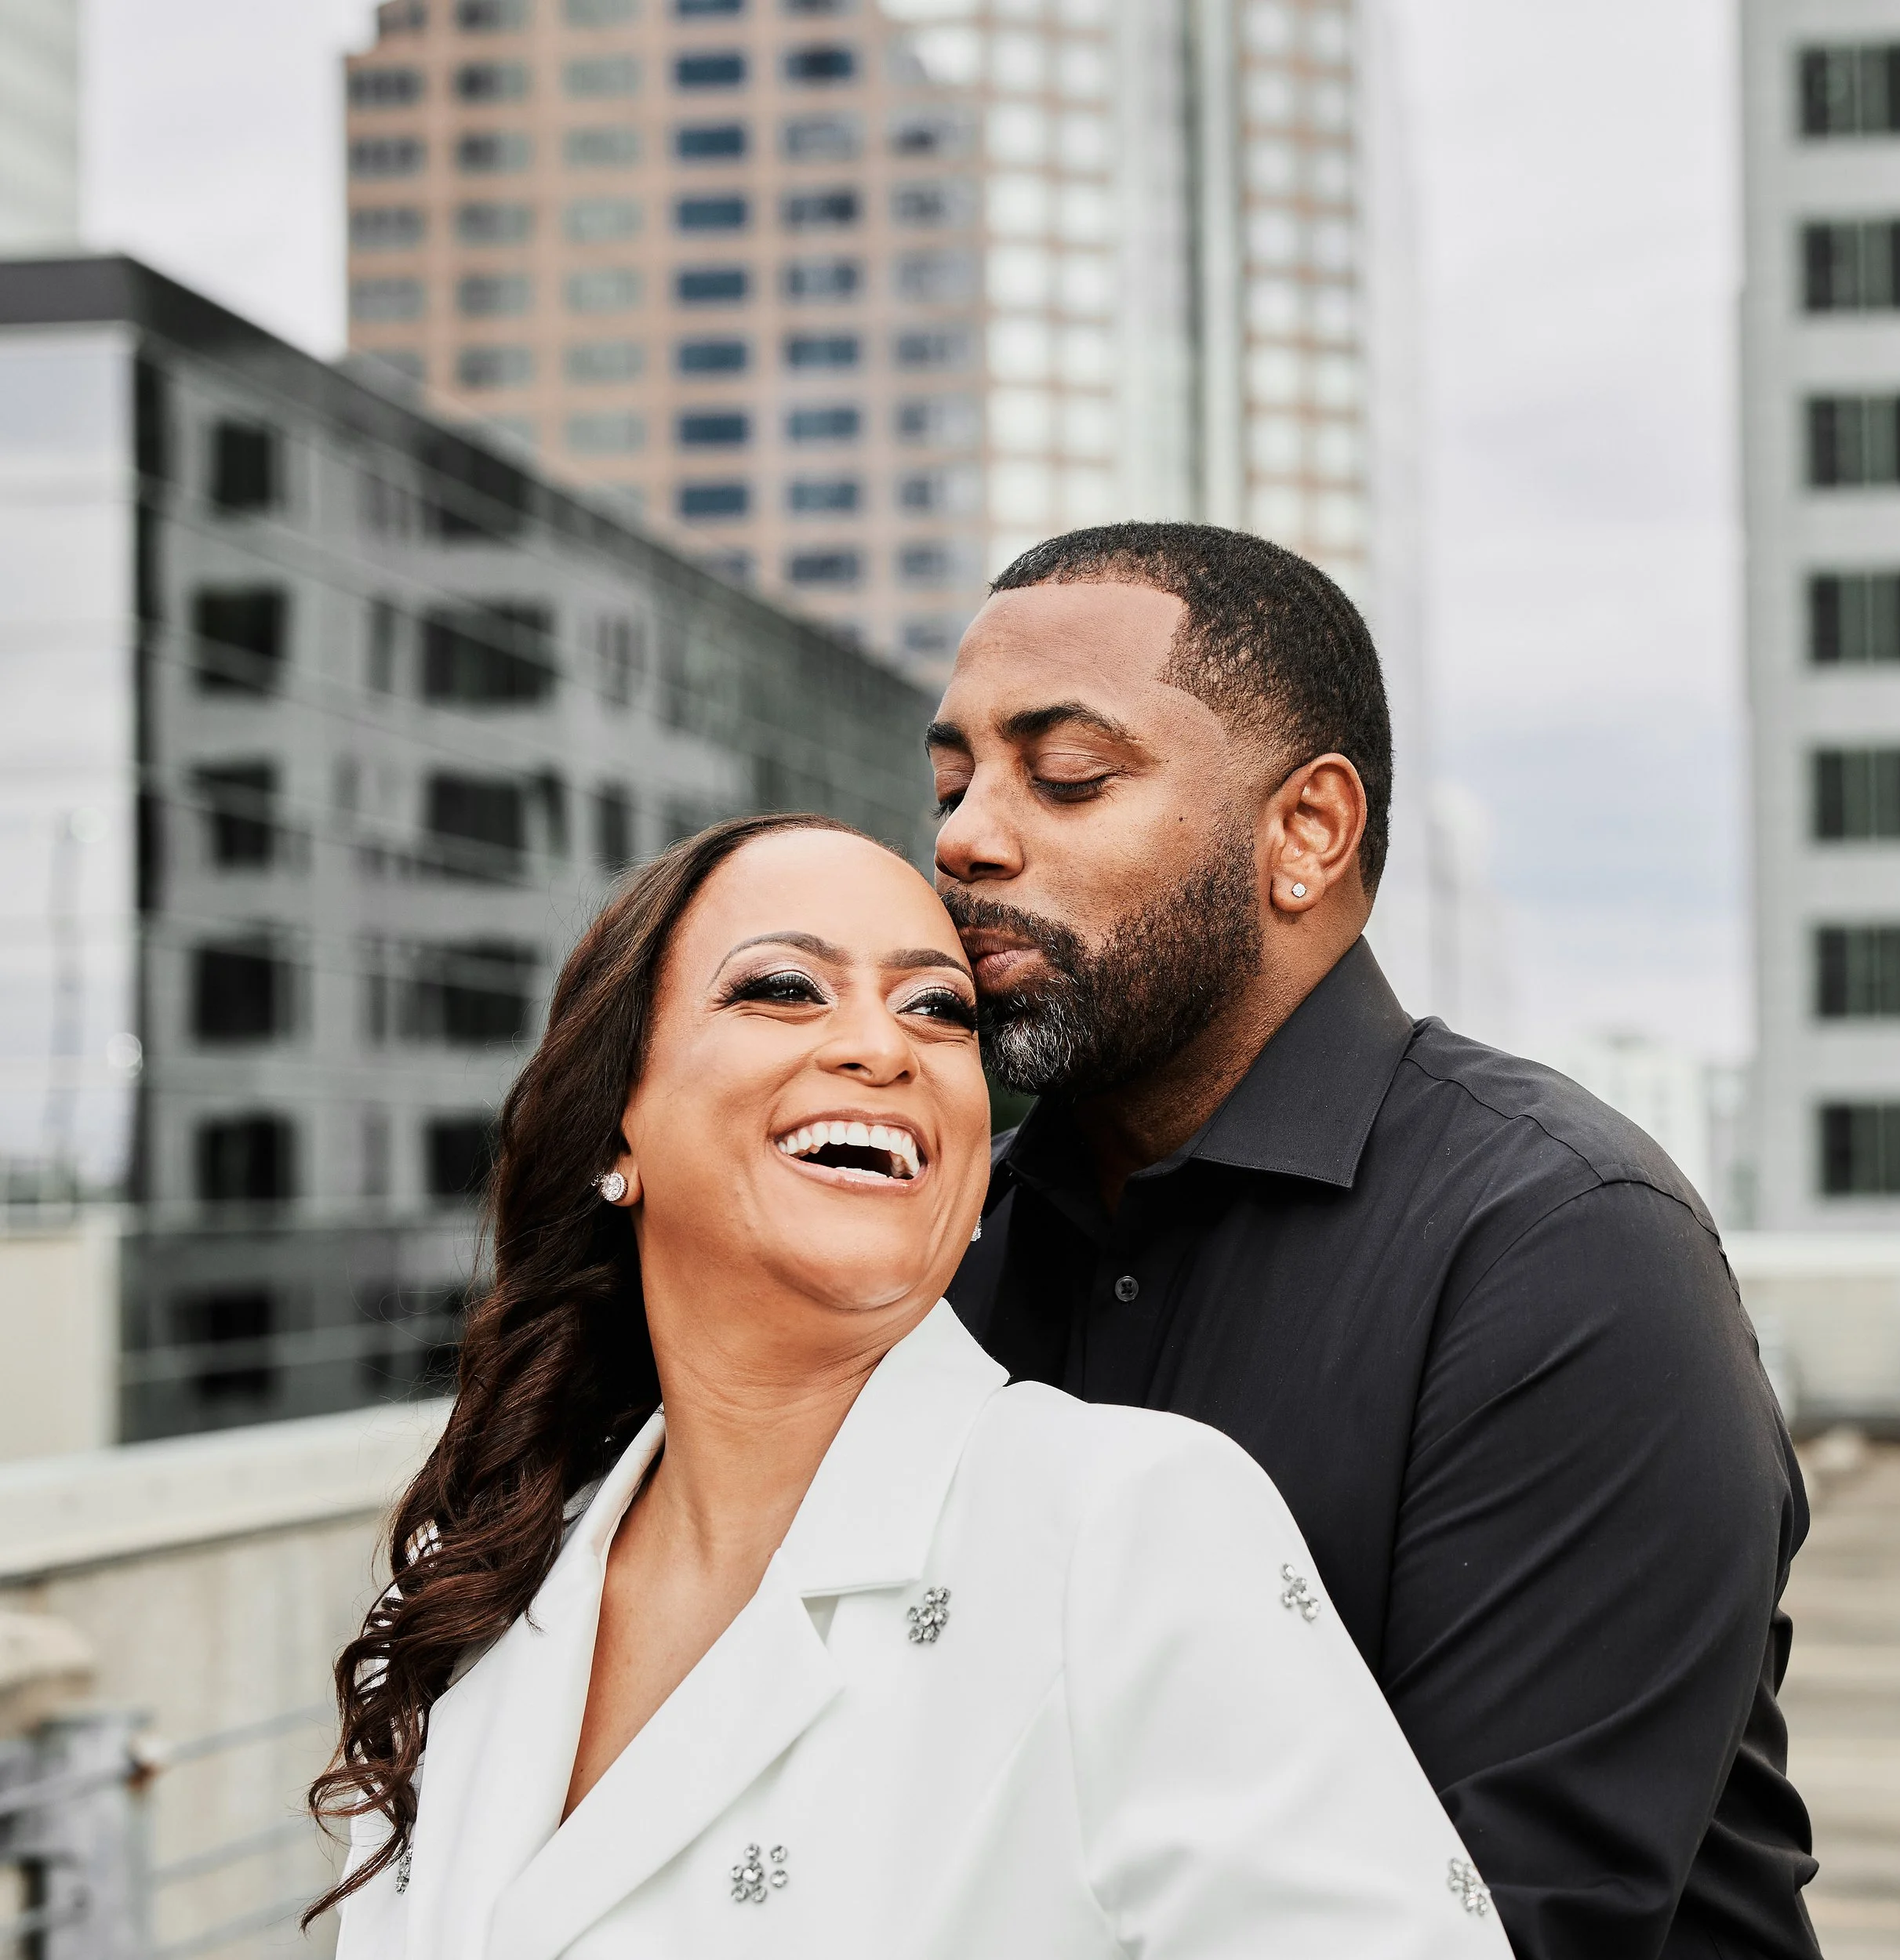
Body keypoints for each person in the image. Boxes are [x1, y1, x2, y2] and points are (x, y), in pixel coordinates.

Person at [313, 812, 1513, 1960]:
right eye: (784, 987)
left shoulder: (1125, 1525)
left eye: (939, 1009)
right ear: (616, 1129)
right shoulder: (472, 1603)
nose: (882, 1047)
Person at [929, 524, 1820, 1960]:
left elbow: (1514, 1922)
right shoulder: (947, 1250)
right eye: (952, 778)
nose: (965, 835)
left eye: (1066, 773)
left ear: (1308, 834)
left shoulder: (1570, 1248)